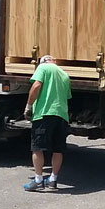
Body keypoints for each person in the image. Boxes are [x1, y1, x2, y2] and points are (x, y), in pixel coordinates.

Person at [23, 55, 72, 191]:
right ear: (54, 61)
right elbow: (67, 96)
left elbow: (37, 85)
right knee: (58, 148)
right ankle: (53, 180)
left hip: (44, 113)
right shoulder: (64, 74)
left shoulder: (43, 67)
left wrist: (28, 106)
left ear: (42, 62)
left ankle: (38, 179)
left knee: (37, 147)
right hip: (61, 115)